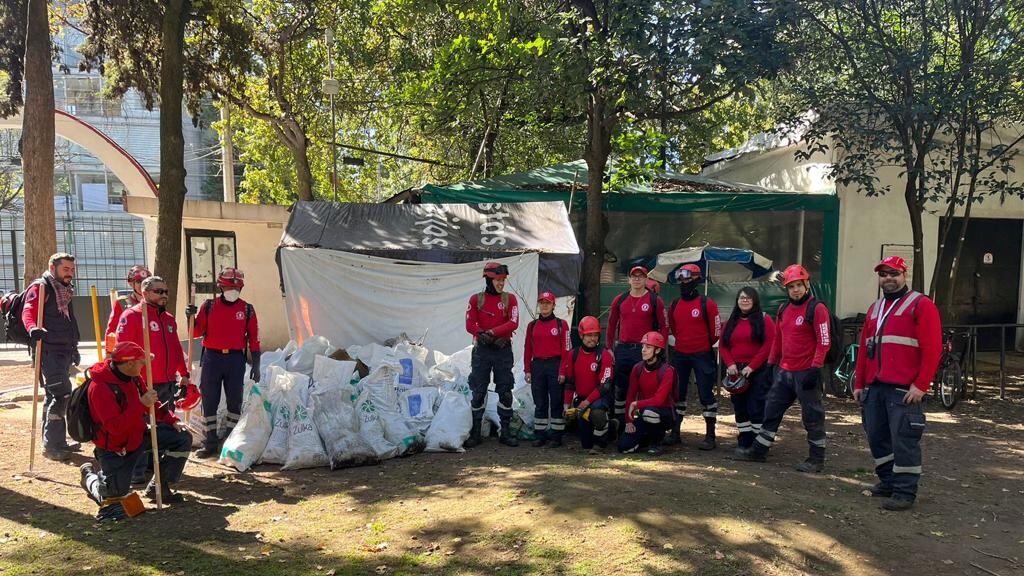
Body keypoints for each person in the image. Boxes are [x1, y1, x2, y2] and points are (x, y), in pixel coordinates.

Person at [854, 256, 941, 511]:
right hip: (875, 385)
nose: (888, 278)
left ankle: (905, 492)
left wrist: (921, 385)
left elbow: (933, 348)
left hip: (904, 388)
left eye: (893, 273)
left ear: (904, 275)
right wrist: (860, 382)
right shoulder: (875, 308)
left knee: (903, 439)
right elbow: (864, 349)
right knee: (877, 436)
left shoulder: (921, 305)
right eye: (883, 274)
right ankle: (889, 481)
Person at [79, 341, 192, 520]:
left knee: (182, 437)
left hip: (138, 435)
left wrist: (172, 419)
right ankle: (89, 477)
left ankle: (159, 486)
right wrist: (140, 405)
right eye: (141, 362)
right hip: (115, 448)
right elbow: (114, 427)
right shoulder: (100, 387)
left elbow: (150, 403)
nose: (144, 365)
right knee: (112, 500)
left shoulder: (133, 376)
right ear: (130, 363)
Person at [737, 264, 830, 472]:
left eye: (799, 285)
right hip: (784, 372)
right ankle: (759, 451)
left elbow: (824, 341)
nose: (795, 290)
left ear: (807, 285)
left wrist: (816, 368)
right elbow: (778, 340)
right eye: (791, 286)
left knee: (812, 416)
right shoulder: (783, 310)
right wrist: (771, 365)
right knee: (771, 409)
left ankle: (816, 459)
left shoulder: (818, 308)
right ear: (786, 289)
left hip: (807, 372)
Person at [186, 268, 261, 458]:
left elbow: (254, 339)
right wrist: (190, 317)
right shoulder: (208, 306)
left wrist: (257, 365)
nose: (233, 291)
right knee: (209, 400)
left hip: (236, 359)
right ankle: (209, 442)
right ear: (221, 286)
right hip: (212, 358)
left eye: (237, 287)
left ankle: (230, 441)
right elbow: (195, 332)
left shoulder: (247, 309)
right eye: (229, 287)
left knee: (234, 401)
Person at [22, 252, 82, 461]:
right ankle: (52, 446)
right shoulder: (41, 287)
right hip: (49, 350)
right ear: (52, 267)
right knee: (62, 394)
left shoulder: (65, 290)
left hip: (64, 350)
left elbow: (69, 320)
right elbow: (28, 311)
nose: (70, 274)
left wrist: (74, 347)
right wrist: (32, 328)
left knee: (53, 396)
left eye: (72, 270)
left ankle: (56, 441)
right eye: (66, 269)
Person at [464, 262, 520, 448]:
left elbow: (514, 322)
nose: (501, 283)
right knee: (478, 392)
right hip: (482, 350)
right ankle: (476, 432)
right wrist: (483, 335)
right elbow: (469, 324)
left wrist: (493, 333)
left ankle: (505, 431)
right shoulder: (475, 299)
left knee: (505, 392)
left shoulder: (510, 299)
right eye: (497, 279)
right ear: (488, 279)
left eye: (503, 280)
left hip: (503, 350)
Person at [666, 264, 721, 449]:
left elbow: (715, 332)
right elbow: (673, 328)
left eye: (687, 279)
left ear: (697, 279)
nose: (683, 282)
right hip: (680, 355)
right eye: (680, 279)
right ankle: (675, 432)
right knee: (678, 393)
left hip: (703, 355)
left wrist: (701, 345)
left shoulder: (708, 304)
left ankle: (710, 436)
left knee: (706, 394)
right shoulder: (674, 304)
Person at [607, 266, 669, 430]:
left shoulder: (655, 300)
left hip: (645, 350)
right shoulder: (620, 299)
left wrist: (659, 349)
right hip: (623, 349)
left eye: (640, 276)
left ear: (645, 279)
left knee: (643, 387)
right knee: (621, 387)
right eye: (633, 276)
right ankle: (620, 423)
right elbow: (612, 324)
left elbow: (664, 326)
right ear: (629, 279)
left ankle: (643, 424)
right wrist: (609, 348)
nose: (637, 279)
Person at [115, 276, 191, 409]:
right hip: (145, 384)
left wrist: (184, 373)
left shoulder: (169, 319)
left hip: (169, 383)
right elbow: (121, 349)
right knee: (147, 425)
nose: (164, 295)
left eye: (166, 292)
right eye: (159, 291)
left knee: (168, 424)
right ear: (145, 293)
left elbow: (176, 348)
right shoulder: (132, 315)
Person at [719, 287, 775, 454]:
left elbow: (769, 345)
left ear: (755, 301)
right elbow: (723, 345)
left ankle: (758, 444)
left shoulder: (765, 320)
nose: (744, 300)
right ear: (737, 300)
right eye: (741, 298)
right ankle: (744, 441)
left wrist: (752, 366)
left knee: (756, 406)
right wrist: (729, 364)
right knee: (740, 407)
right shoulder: (731, 321)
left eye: (748, 298)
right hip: (736, 372)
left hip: (758, 370)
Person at [524, 291, 571, 448]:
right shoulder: (532, 326)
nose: (544, 305)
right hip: (537, 366)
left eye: (548, 303)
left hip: (555, 365)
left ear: (553, 305)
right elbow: (527, 349)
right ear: (539, 305)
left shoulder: (561, 324)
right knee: (540, 401)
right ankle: (540, 435)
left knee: (556, 401)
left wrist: (563, 371)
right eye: (542, 302)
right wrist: (527, 370)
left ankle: (556, 436)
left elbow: (566, 349)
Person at [618, 331, 676, 455]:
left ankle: (656, 443)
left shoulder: (667, 371)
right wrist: (629, 421)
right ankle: (647, 437)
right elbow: (630, 395)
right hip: (645, 413)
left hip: (664, 413)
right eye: (643, 346)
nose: (643, 350)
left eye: (648, 347)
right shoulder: (637, 368)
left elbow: (659, 400)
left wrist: (636, 404)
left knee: (650, 412)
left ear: (658, 351)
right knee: (624, 447)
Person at [563, 316, 615, 454]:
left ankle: (600, 444)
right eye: (589, 335)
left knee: (597, 414)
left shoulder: (605, 355)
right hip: (581, 400)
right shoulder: (573, 355)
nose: (592, 339)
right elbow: (569, 383)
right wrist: (567, 405)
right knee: (586, 444)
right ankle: (610, 428)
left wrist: (586, 402)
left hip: (599, 398)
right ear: (581, 335)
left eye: (595, 335)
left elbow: (605, 385)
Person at [104, 265, 151, 352]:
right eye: (138, 281)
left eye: (146, 281)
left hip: (151, 352)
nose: (142, 284)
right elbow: (112, 331)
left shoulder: (155, 303)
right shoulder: (122, 303)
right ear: (130, 283)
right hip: (129, 354)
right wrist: (109, 353)